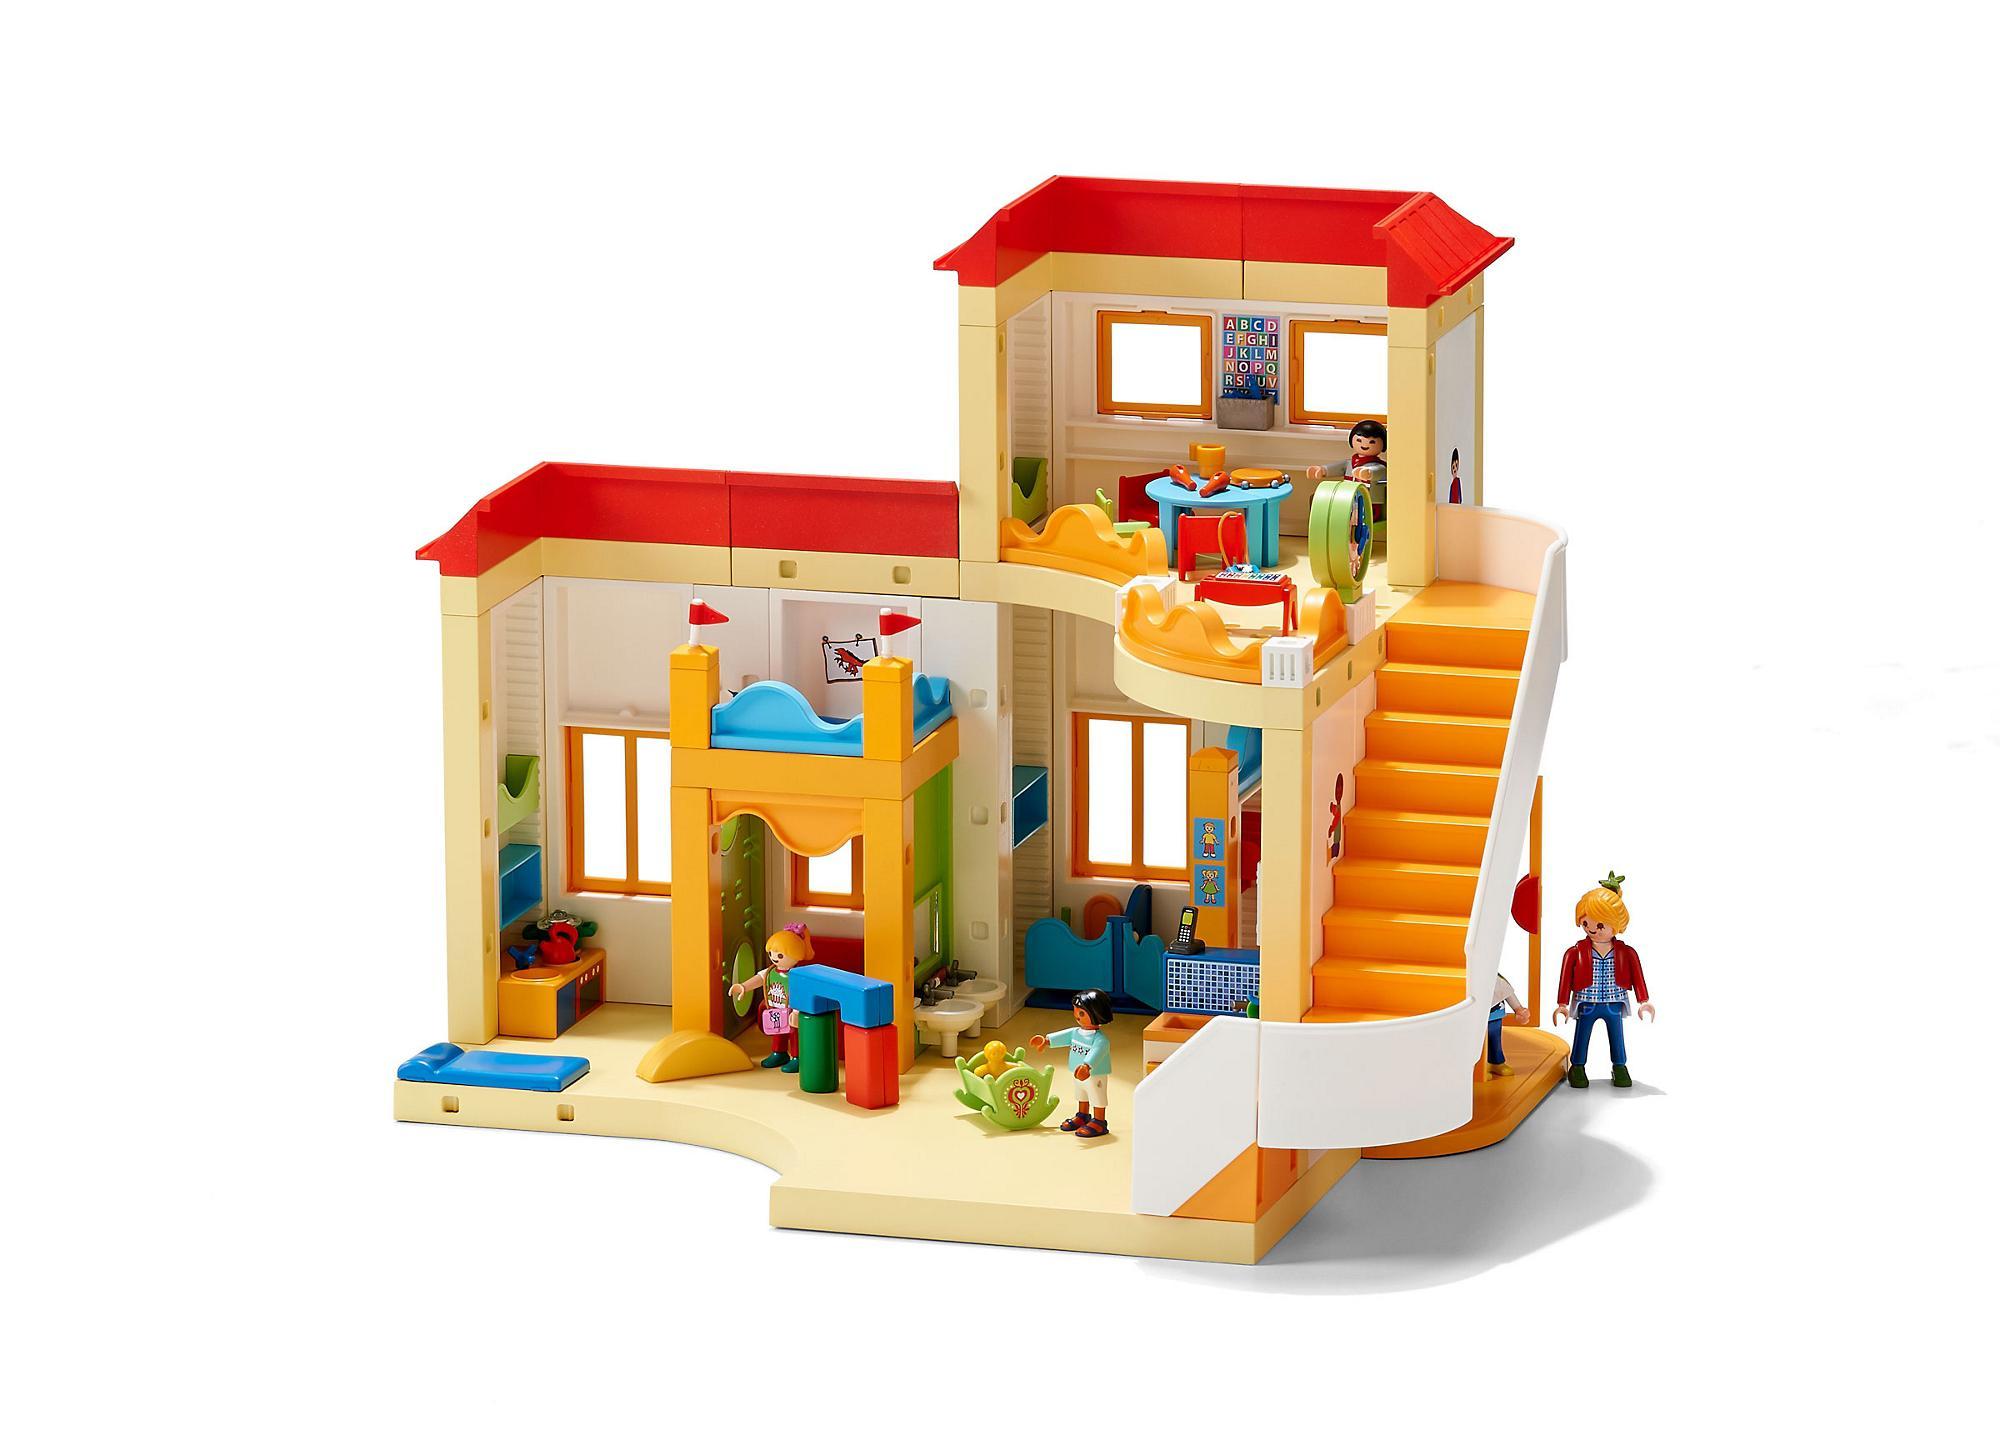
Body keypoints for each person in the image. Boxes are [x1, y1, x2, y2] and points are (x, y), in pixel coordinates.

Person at [1552, 872, 1654, 1087]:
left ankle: (1620, 1067)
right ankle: (1577, 1067)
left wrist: (1644, 1001)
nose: (1592, 929)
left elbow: (1638, 976)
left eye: (1600, 926)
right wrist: (1562, 1004)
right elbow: (1565, 978)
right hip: (1587, 1002)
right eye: (1585, 922)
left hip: (1614, 1002)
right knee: (1582, 1035)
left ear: (1616, 925)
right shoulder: (1576, 952)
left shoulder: (1626, 952)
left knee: (1617, 1036)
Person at [731, 922, 814, 1073]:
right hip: (776, 1009)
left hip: (792, 1011)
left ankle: (798, 1057)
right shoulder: (770, 971)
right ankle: (779, 1053)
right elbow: (759, 979)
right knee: (778, 1032)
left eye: (780, 955)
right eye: (771, 954)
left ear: (796, 955)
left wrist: (797, 1012)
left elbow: (802, 994)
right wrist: (743, 987)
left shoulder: (798, 975)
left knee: (795, 1035)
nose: (774, 958)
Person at [1031, 989, 1115, 1138]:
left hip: (1094, 1074)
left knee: (1096, 1096)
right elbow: (1063, 1037)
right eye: (1076, 1012)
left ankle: (1099, 1121)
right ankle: (1083, 1115)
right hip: (1078, 1072)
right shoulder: (1076, 1032)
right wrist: (1047, 1041)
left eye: (1081, 1013)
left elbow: (1097, 1052)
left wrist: (1087, 1066)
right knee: (1081, 1094)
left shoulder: (1100, 1040)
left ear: (1096, 1013)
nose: (1077, 1016)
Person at [1486, 972, 1529, 1077]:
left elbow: (1508, 993)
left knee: (1495, 1040)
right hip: (1478, 1019)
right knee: (1479, 1042)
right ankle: (1480, 1066)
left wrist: (1518, 1009)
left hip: (1495, 1015)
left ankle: (1497, 1062)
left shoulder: (1496, 978)